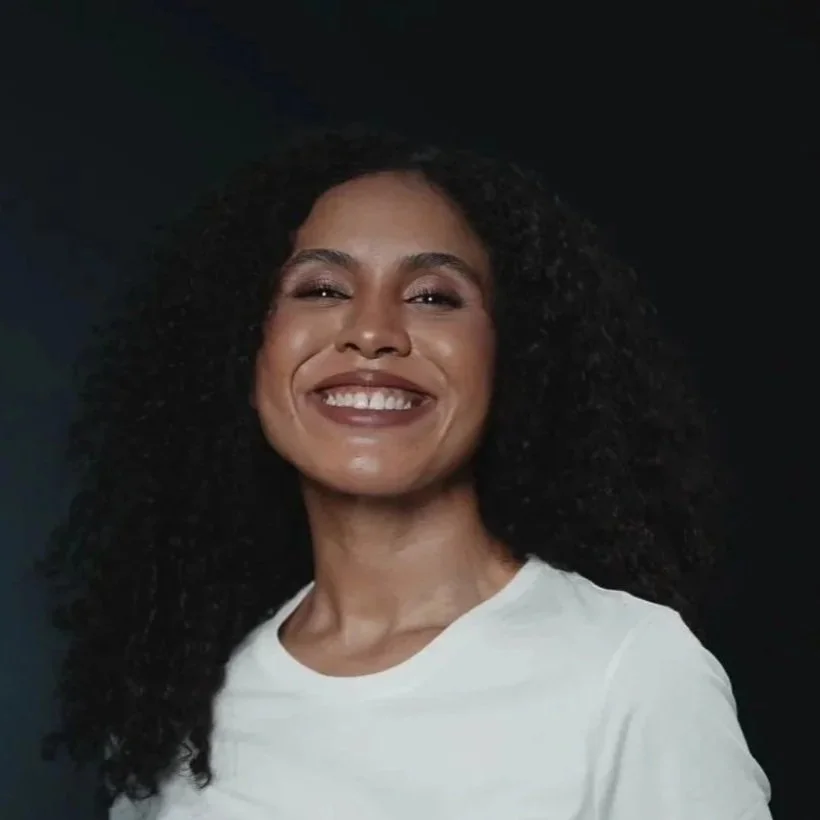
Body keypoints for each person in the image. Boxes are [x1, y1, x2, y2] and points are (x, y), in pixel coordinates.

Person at [41, 126, 772, 819]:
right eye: (322, 289)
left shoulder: (632, 671)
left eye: (433, 297)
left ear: (513, 354)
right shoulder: (182, 704)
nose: (371, 332)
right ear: (245, 347)